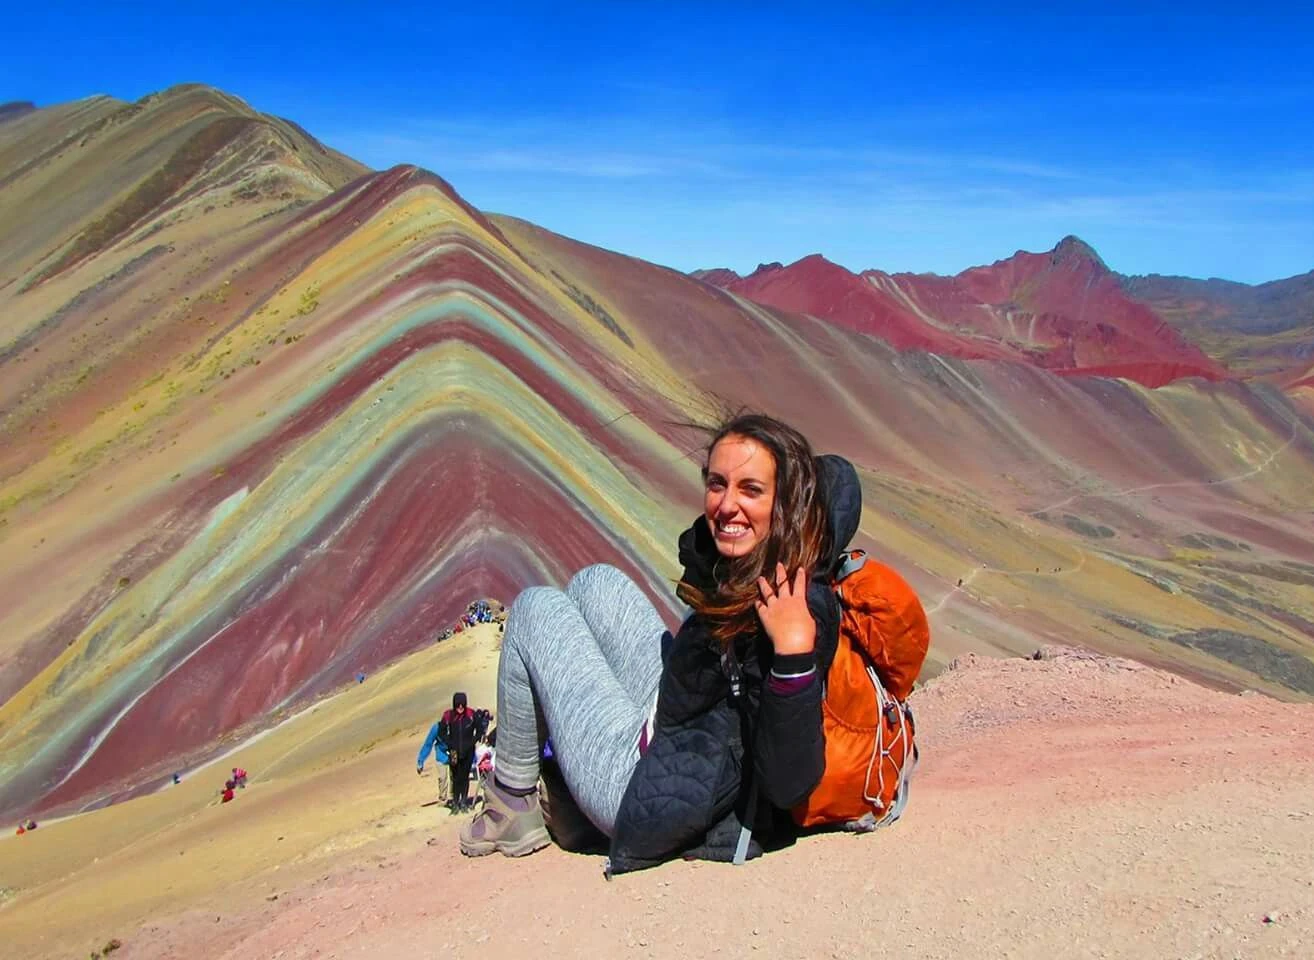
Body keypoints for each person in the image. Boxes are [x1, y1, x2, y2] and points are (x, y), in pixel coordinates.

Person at [460, 412, 857, 872]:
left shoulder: (791, 609)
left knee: (535, 610)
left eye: (751, 490)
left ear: (788, 504)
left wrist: (793, 655)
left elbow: (789, 783)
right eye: (717, 484)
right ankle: (562, 781)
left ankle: (511, 800)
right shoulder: (761, 565)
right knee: (597, 582)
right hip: (676, 730)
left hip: (650, 789)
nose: (727, 505)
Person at [439, 692, 481, 811]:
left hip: (468, 751)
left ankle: (463, 802)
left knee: (464, 776)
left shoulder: (471, 715)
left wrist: (472, 742)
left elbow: (480, 730)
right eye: (458, 704)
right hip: (453, 752)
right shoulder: (448, 716)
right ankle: (455, 802)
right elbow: (441, 732)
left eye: (462, 704)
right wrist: (450, 743)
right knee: (455, 777)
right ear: (454, 704)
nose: (460, 707)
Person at [416, 717, 452, 803]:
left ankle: (455, 797)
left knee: (455, 776)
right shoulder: (436, 728)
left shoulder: (455, 725)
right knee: (443, 777)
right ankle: (443, 798)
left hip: (453, 752)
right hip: (441, 754)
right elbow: (428, 744)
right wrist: (420, 761)